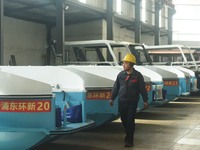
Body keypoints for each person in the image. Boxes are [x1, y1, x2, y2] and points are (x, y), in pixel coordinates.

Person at [110, 53, 148, 147]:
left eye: (126, 63)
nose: (123, 65)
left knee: (130, 121)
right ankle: (128, 134)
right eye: (123, 63)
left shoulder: (137, 76)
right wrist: (112, 98)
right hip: (122, 101)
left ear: (131, 64)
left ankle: (129, 140)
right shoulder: (120, 75)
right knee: (124, 120)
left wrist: (145, 100)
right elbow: (116, 87)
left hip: (132, 102)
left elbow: (142, 89)